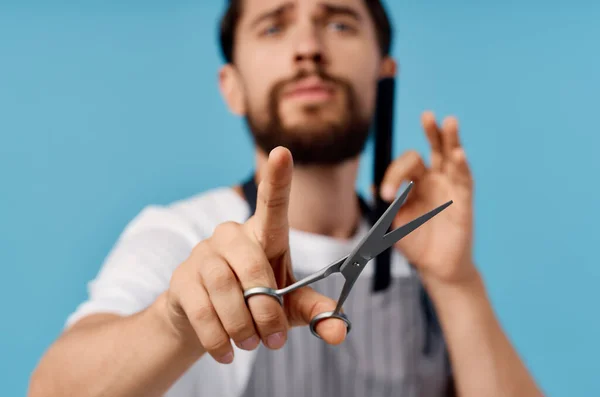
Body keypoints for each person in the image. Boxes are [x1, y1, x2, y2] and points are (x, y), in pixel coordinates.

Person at [28, 0, 545, 396]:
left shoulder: (422, 251)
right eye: (274, 26)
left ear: (384, 74)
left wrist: (456, 283)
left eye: (339, 23)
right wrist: (174, 321)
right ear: (231, 87)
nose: (309, 48)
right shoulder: (182, 235)